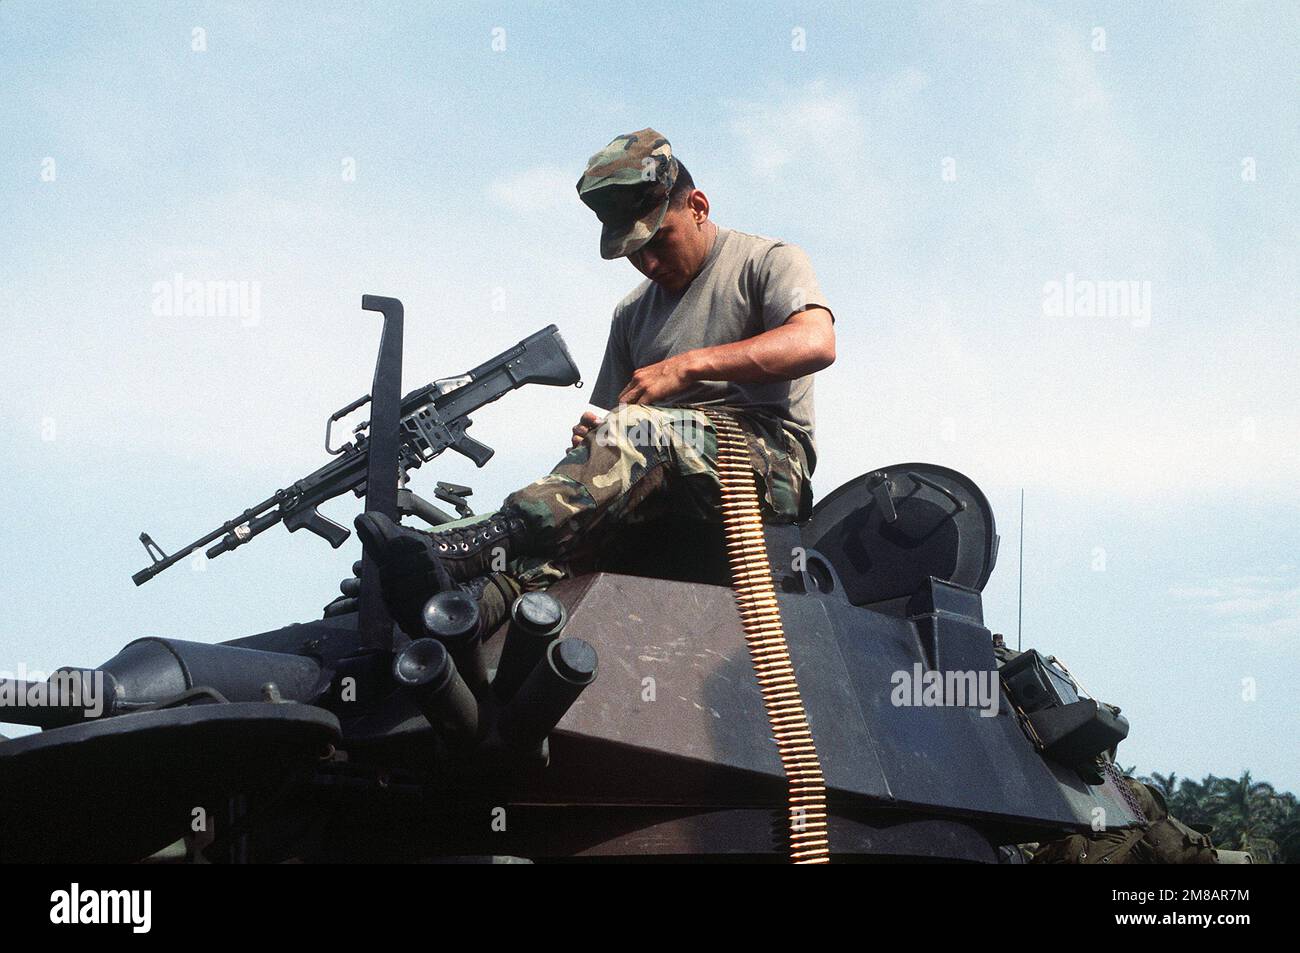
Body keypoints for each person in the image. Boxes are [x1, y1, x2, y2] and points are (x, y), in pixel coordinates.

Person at [353, 128, 836, 637]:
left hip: (762, 463)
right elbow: (612, 424)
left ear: (697, 206)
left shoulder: (767, 261)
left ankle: (480, 543)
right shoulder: (632, 312)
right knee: (573, 523)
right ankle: (468, 612)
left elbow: (815, 343)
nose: (647, 262)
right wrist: (594, 437)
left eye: (656, 241)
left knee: (640, 433)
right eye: (633, 252)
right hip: (664, 473)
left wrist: (688, 366)